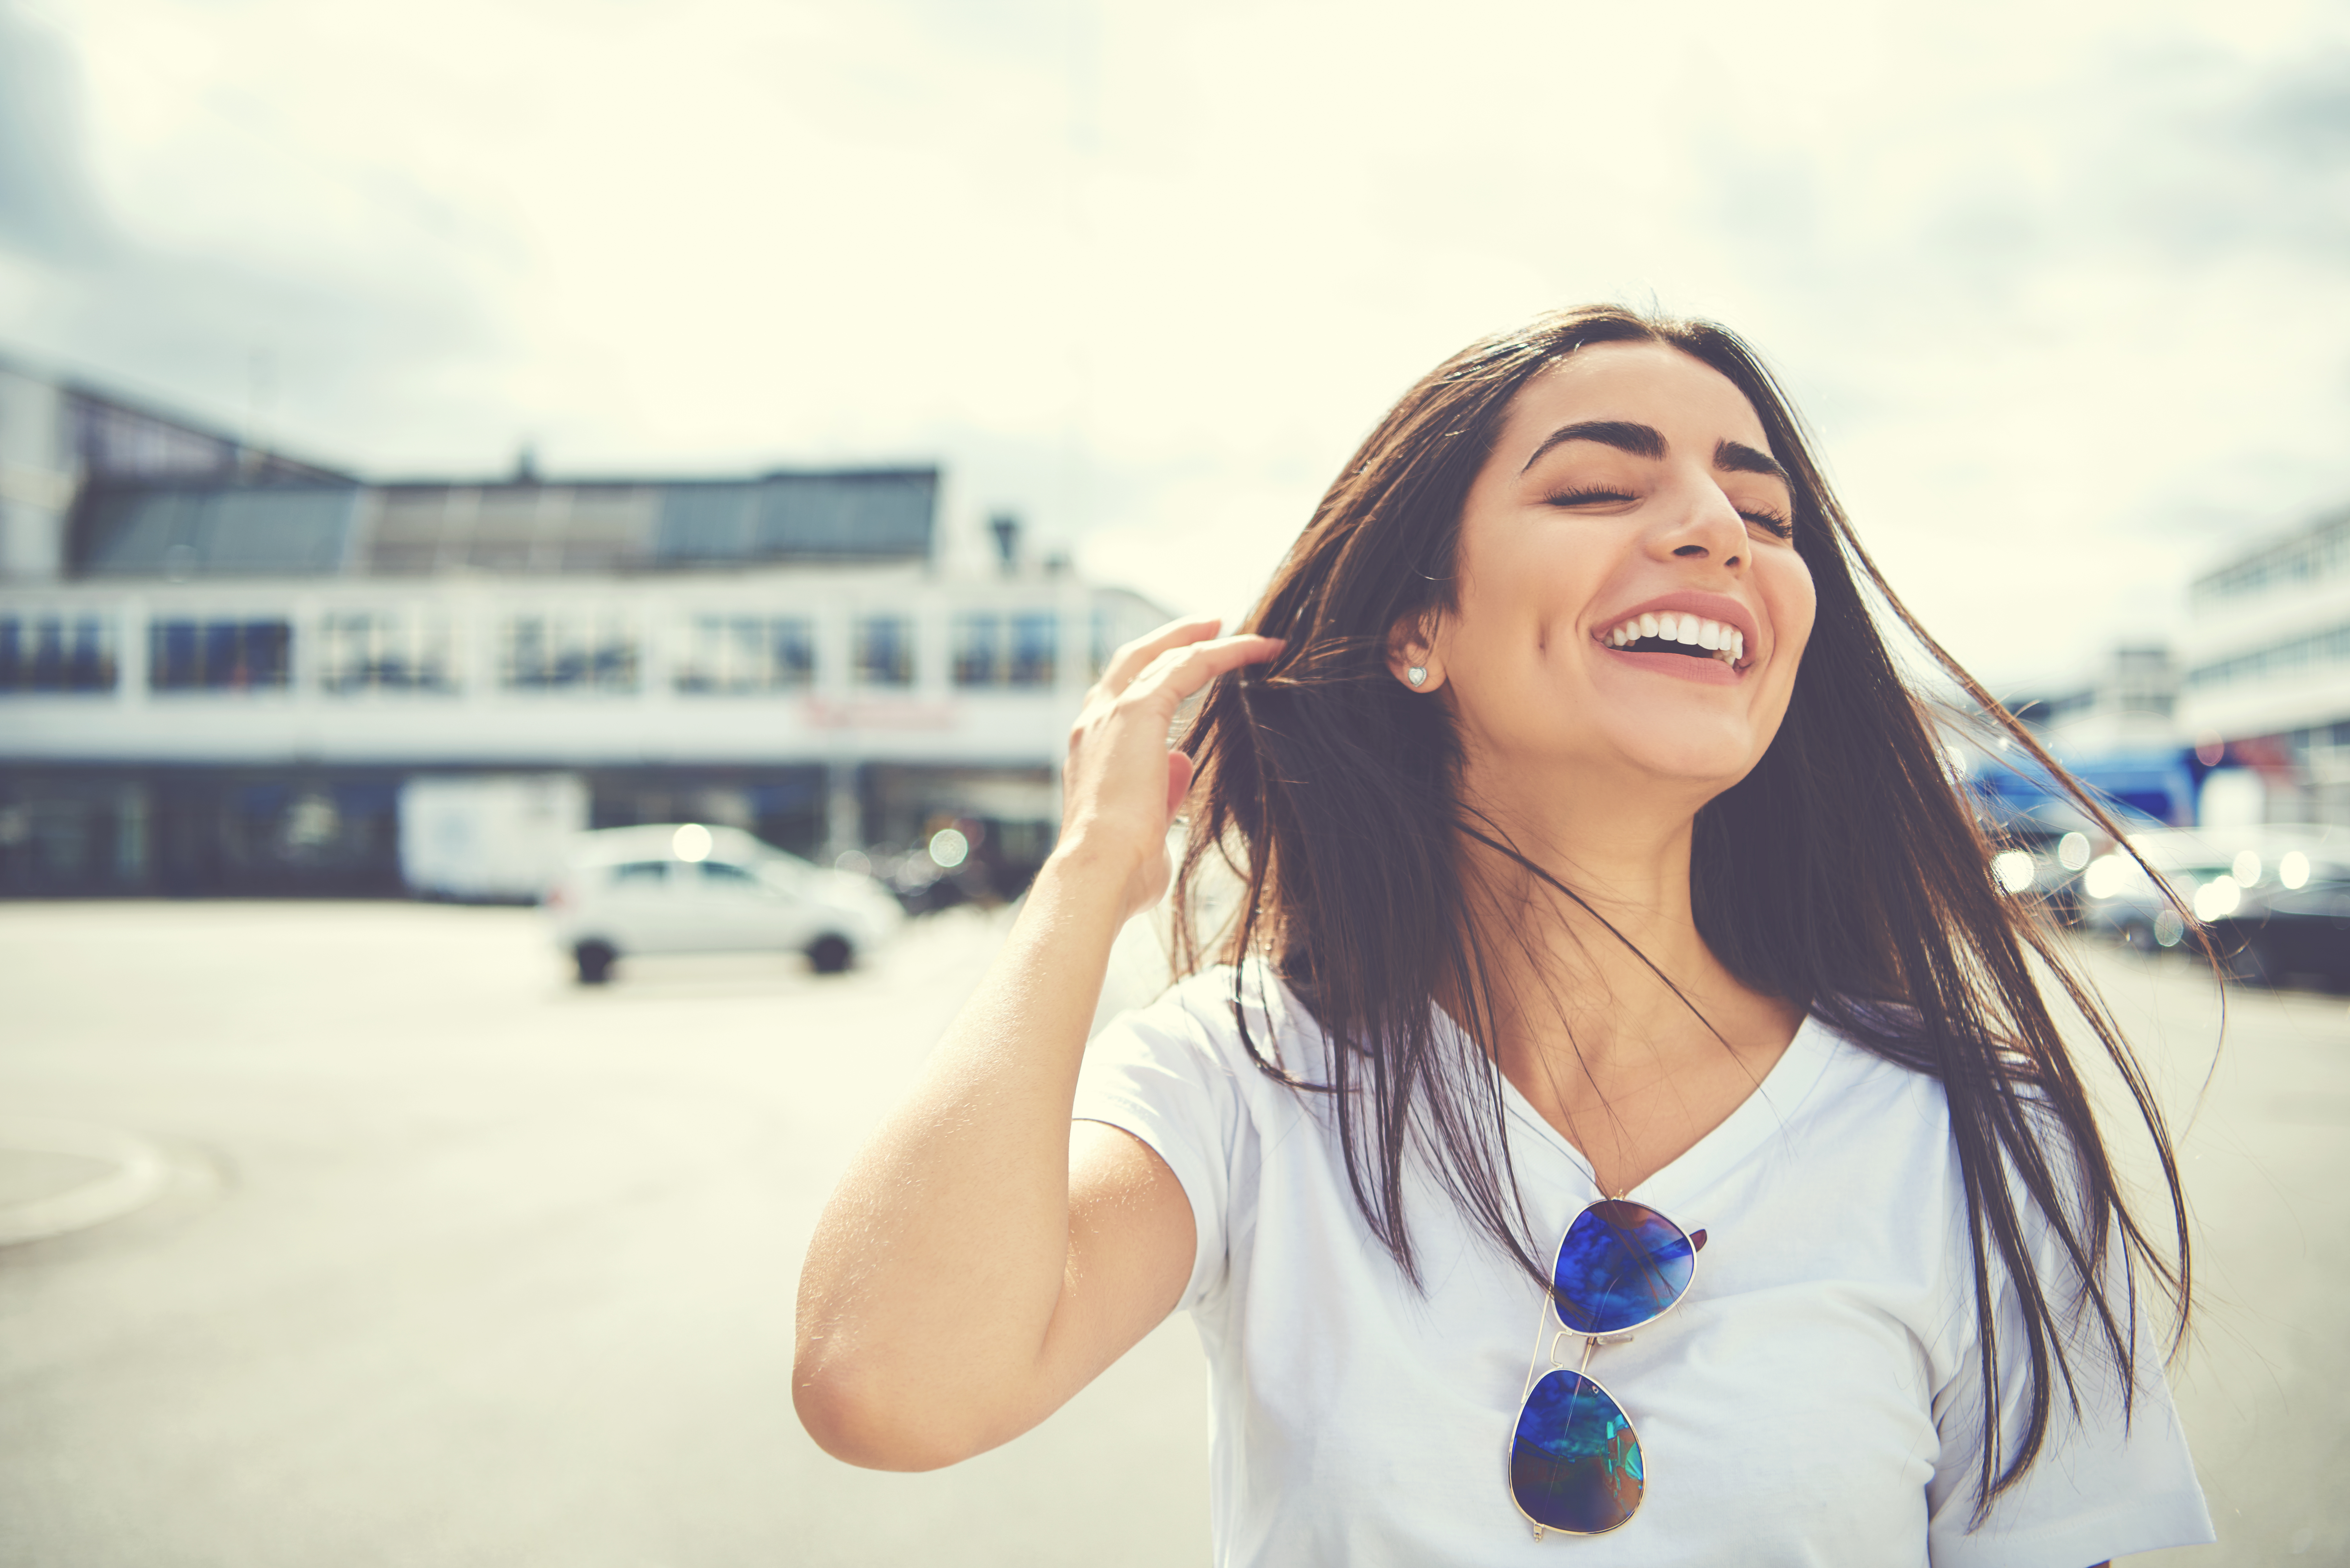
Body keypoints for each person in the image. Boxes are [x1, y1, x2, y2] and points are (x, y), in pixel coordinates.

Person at [792, 306, 2216, 1566]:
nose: (1715, 528)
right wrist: (1089, 874)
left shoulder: (1971, 1135)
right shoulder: (1243, 1083)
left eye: (1765, 516)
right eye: (1597, 484)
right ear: (1421, 629)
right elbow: (890, 1379)